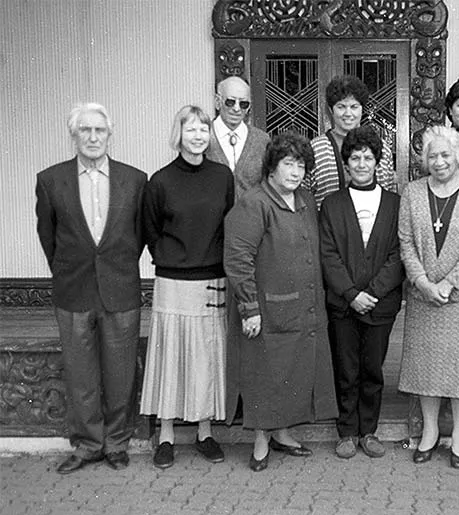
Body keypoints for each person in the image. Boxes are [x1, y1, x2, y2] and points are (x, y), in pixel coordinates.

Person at [35, 103, 146, 473]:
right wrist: (70, 269)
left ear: (110, 134)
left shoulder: (135, 180)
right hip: (73, 290)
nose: (93, 137)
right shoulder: (51, 180)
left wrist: (117, 266)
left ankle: (116, 443)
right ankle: (87, 445)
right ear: (74, 135)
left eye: (100, 130)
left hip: (120, 287)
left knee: (120, 373)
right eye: (85, 130)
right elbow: (48, 236)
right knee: (80, 373)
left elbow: (138, 236)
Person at [224, 131, 338, 472]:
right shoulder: (254, 203)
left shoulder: (305, 200)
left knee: (295, 373)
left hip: (303, 308)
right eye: (289, 164)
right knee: (266, 375)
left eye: (301, 165)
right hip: (267, 311)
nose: (295, 172)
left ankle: (283, 433)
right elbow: (238, 259)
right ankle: (261, 441)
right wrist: (249, 308)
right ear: (272, 167)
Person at [140, 106, 235, 469]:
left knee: (206, 358)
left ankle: (204, 432)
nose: (197, 136)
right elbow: (150, 231)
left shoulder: (222, 176)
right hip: (173, 282)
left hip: (212, 279)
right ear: (178, 135)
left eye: (203, 129)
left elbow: (228, 224)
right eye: (191, 129)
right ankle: (166, 435)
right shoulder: (160, 181)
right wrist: (172, 258)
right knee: (171, 357)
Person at [398, 125, 459, 469]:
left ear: (458, 155)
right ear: (424, 160)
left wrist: (450, 283)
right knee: (425, 368)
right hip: (423, 297)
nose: (439, 161)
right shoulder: (412, 192)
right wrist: (423, 283)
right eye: (432, 155)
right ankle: (430, 432)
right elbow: (406, 242)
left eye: (445, 154)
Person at [319, 126, 404, 459]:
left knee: (373, 369)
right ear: (346, 163)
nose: (361, 164)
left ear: (377, 162)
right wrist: (352, 294)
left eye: (368, 157)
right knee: (346, 369)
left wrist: (373, 292)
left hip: (381, 305)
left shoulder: (395, 204)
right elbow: (328, 254)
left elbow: (399, 253)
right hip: (344, 304)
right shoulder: (332, 204)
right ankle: (346, 432)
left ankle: (368, 431)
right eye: (355, 158)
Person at [303, 75, 397, 208]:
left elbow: (389, 194)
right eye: (341, 107)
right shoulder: (315, 149)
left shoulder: (382, 149)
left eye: (354, 106)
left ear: (362, 108)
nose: (348, 113)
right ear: (330, 110)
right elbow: (302, 198)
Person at [206, 76, 270, 199]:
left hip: (251, 211)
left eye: (243, 104)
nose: (236, 108)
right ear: (217, 101)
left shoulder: (262, 140)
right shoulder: (202, 137)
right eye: (230, 102)